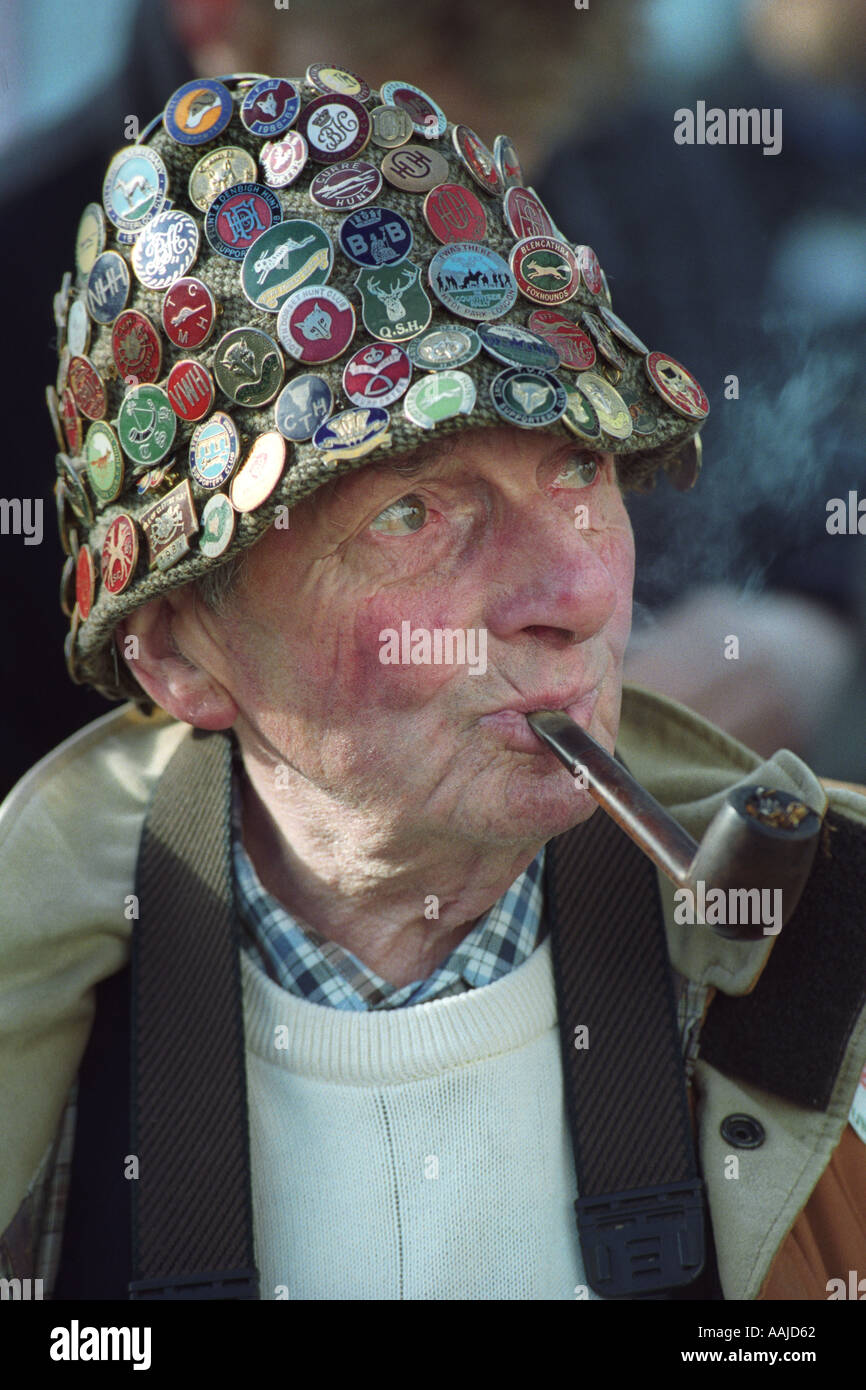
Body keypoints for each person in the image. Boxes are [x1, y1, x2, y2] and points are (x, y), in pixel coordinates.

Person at [1, 66, 865, 1305]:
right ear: (183, 652)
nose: (571, 591)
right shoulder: (44, 1095)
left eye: (579, 465)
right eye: (411, 511)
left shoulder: (830, 998)